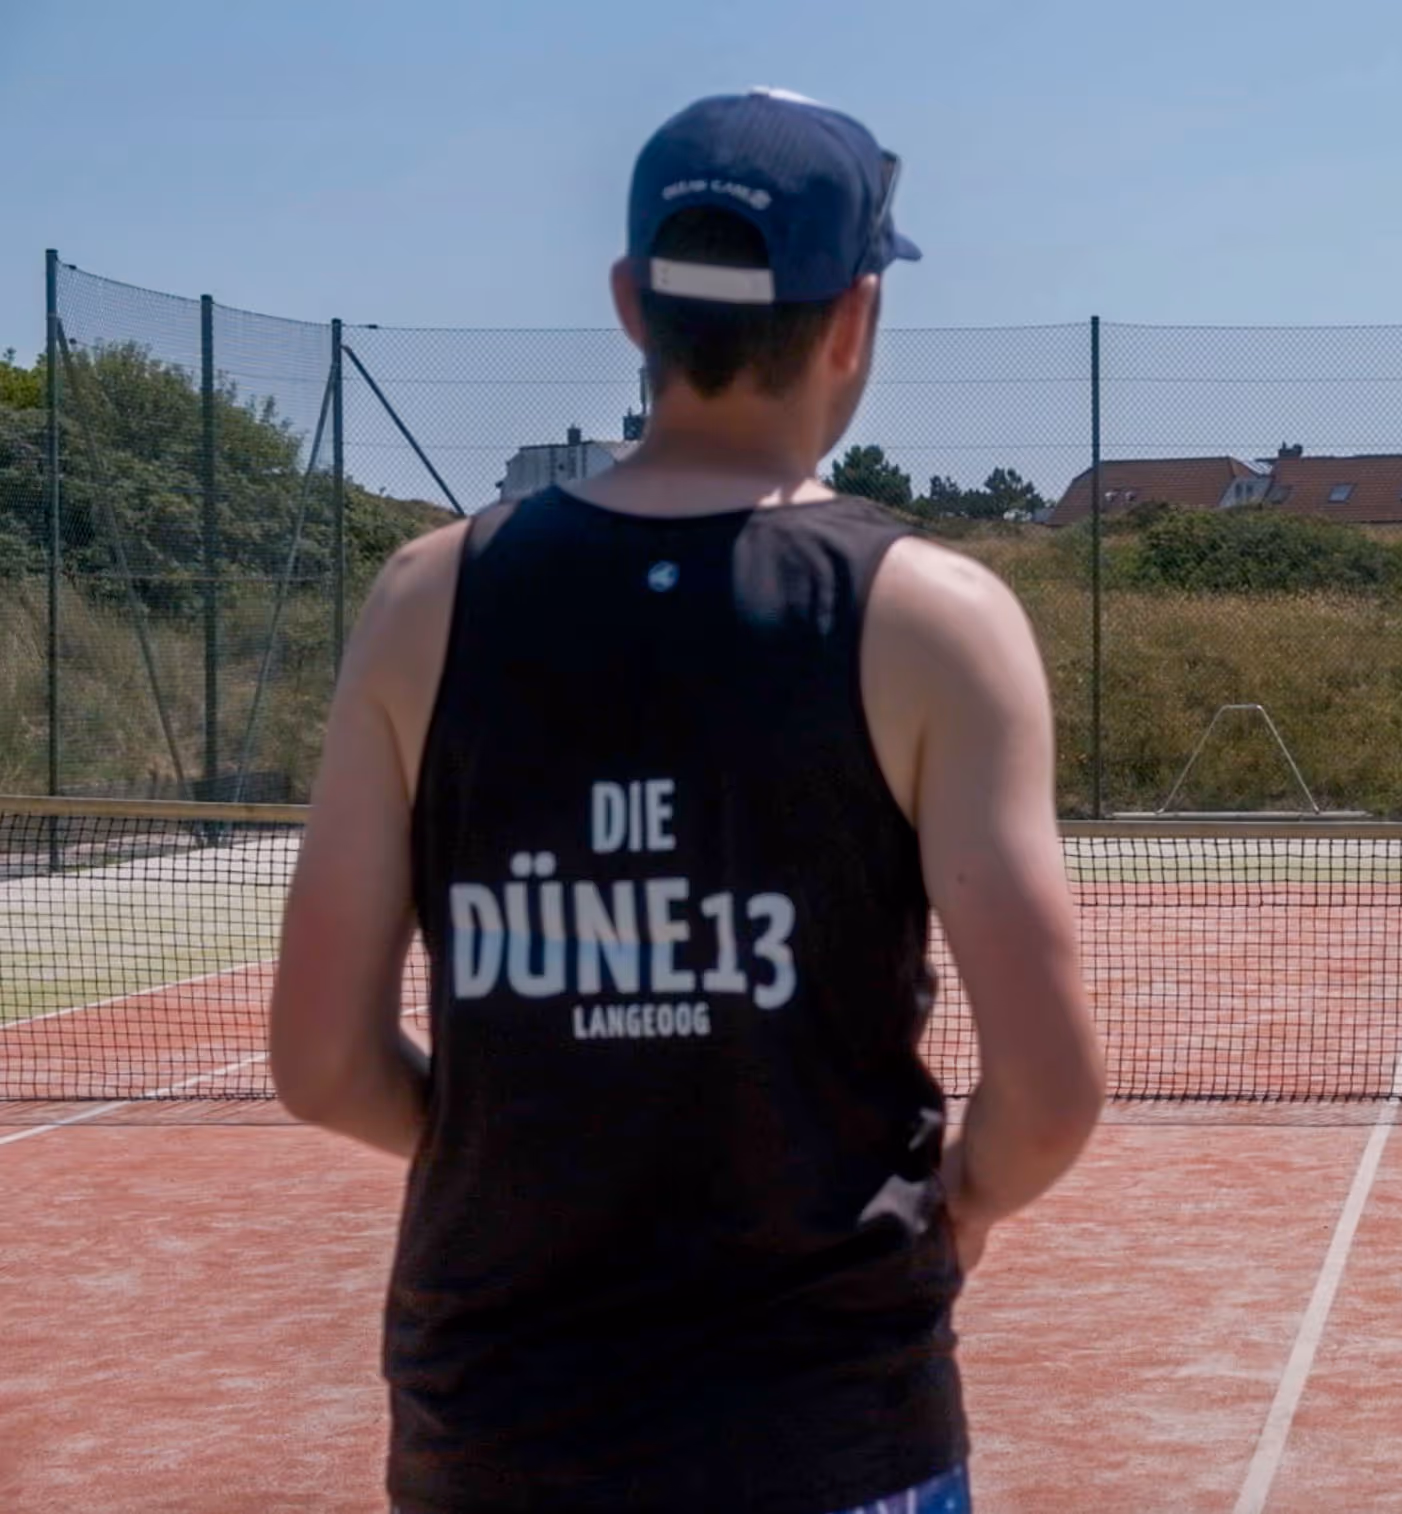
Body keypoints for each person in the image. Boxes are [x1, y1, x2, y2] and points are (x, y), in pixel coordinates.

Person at [268, 89, 1105, 1514]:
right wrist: (948, 1210)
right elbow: (1048, 1093)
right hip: (827, 1427)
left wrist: (536, 1135)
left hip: (497, 1431)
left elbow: (323, 1061)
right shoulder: (932, 617)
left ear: (628, 304)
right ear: (853, 316)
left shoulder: (427, 596)